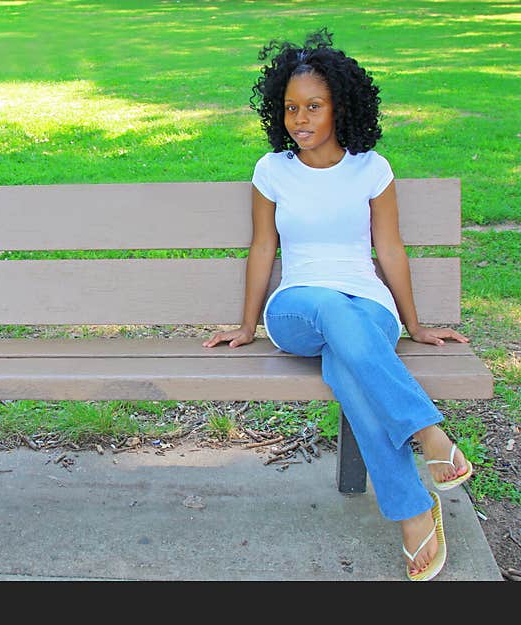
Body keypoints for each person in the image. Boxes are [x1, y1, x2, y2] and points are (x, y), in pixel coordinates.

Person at [203, 28, 473, 580]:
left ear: (340, 107)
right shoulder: (272, 170)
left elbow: (389, 249)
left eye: (314, 107)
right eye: (290, 108)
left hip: (368, 305)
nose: (299, 119)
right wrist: (246, 325)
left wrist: (415, 325)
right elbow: (262, 248)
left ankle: (415, 512)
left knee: (348, 366)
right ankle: (429, 434)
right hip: (297, 308)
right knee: (330, 310)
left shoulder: (370, 168)